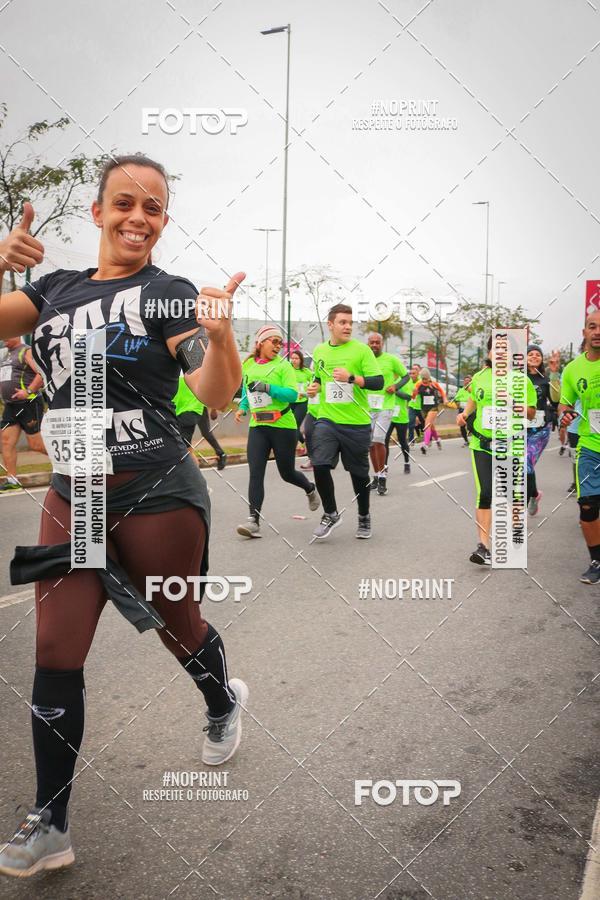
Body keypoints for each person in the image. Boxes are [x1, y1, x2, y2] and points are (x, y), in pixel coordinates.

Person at [0, 155, 249, 878]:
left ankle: (220, 700)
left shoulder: (168, 295)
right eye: (125, 203)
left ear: (163, 221)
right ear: (97, 212)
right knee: (55, 652)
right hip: (72, 494)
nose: (138, 217)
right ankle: (50, 821)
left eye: (154, 208)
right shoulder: (51, 288)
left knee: (181, 630)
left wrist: (223, 335)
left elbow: (215, 390)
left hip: (156, 491)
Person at [457, 335, 536, 565]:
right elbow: (473, 399)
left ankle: (516, 528)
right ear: (490, 353)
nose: (500, 352)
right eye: (496, 348)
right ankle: (483, 546)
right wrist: (464, 415)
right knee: (486, 493)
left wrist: (512, 401)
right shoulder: (479, 377)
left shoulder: (522, 381)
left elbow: (531, 413)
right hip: (481, 443)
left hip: (511, 444)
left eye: (505, 349)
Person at [234, 324, 319, 538]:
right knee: (255, 473)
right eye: (274, 341)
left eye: (280, 343)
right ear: (261, 342)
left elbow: (292, 395)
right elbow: (246, 390)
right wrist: (242, 408)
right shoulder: (249, 364)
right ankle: (253, 520)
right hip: (258, 427)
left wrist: (269, 387)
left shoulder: (283, 366)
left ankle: (309, 488)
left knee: (287, 473)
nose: (278, 346)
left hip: (282, 426)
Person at [307, 304, 383, 539]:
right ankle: (330, 513)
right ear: (330, 325)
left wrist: (352, 378)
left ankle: (364, 515)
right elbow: (318, 377)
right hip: (327, 419)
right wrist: (314, 387)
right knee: (319, 464)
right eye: (342, 322)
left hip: (357, 422)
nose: (348, 326)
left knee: (359, 475)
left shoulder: (361, 351)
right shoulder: (320, 350)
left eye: (350, 322)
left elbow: (378, 381)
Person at [559, 311, 600, 584]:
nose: (597, 331)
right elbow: (565, 402)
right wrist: (565, 414)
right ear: (584, 332)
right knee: (587, 506)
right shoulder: (573, 369)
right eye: (592, 326)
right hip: (590, 445)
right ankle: (596, 561)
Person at [0, 335, 46, 490]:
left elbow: (41, 373)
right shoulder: (5, 354)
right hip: (10, 405)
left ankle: (69, 468)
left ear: (17, 335)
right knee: (6, 443)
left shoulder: (26, 351)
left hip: (28, 404)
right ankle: (12, 480)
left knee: (36, 445)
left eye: (7, 334)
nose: (3, 338)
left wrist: (28, 391)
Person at [365, 332, 409, 495]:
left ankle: (383, 476)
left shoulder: (391, 360)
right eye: (372, 342)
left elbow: (406, 377)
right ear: (368, 343)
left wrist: (396, 387)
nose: (375, 345)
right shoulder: (364, 359)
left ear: (382, 344)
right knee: (370, 443)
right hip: (368, 407)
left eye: (377, 342)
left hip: (386, 406)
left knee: (378, 439)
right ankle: (376, 475)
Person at [525, 344, 557, 516]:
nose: (535, 356)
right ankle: (535, 494)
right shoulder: (516, 378)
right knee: (524, 465)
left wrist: (553, 373)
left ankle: (517, 515)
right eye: (531, 354)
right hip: (519, 428)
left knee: (525, 463)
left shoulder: (546, 379)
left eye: (538, 354)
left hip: (540, 430)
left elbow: (557, 400)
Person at [173, 374, 227, 470]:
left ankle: (193, 471)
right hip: (187, 409)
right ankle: (221, 454)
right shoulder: (171, 371)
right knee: (204, 434)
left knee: (185, 447)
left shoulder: (190, 366)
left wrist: (214, 408)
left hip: (191, 410)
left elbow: (209, 386)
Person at [385, 372, 414, 475]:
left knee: (402, 441)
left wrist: (395, 390)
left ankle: (407, 462)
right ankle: (384, 466)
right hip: (387, 415)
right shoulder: (386, 379)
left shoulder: (406, 382)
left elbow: (408, 397)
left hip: (401, 416)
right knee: (384, 441)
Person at [412, 368, 446, 454]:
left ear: (429, 377)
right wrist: (414, 393)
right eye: (423, 379)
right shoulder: (418, 384)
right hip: (424, 409)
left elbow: (442, 392)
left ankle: (425, 444)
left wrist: (445, 399)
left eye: (426, 378)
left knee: (427, 424)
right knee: (430, 425)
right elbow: (413, 397)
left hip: (433, 407)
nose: (424, 380)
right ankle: (437, 439)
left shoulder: (434, 384)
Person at [289, 349, 312, 455]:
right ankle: (305, 443)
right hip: (290, 401)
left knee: (294, 424)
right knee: (290, 425)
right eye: (292, 358)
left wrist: (306, 393)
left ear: (301, 360)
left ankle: (303, 443)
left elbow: (314, 385)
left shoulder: (306, 372)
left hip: (302, 402)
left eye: (296, 358)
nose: (294, 360)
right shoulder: (287, 370)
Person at [407, 364, 424, 445]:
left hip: (421, 407)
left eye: (414, 372)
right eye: (411, 373)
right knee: (410, 422)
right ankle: (411, 440)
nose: (412, 375)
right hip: (412, 406)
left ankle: (426, 437)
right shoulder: (408, 382)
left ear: (418, 372)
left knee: (423, 424)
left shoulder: (421, 381)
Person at [453, 375, 472, 446]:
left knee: (471, 426)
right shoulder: (461, 390)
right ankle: (466, 440)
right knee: (462, 426)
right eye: (465, 381)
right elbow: (456, 399)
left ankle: (475, 439)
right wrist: (457, 404)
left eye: (468, 381)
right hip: (462, 410)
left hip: (471, 411)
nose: (466, 382)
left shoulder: (472, 390)